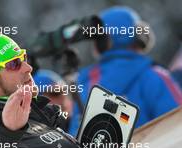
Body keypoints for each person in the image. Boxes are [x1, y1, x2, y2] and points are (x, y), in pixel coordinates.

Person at [69, 6, 182, 136]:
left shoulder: (84, 83)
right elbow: (178, 125)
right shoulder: (154, 75)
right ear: (138, 37)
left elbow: (75, 138)